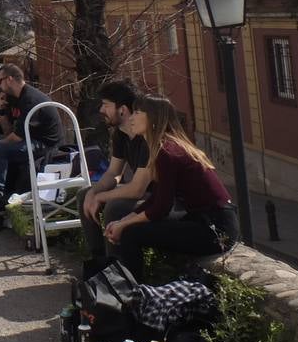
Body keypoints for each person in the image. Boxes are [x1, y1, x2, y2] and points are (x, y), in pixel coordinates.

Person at [105, 95, 240, 278]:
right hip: (204, 220)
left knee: (131, 234)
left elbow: (162, 207)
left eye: (137, 112)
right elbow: (156, 198)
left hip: (216, 229)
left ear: (153, 118)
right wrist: (123, 220)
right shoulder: (165, 147)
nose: (131, 118)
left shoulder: (167, 152)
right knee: (129, 226)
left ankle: (132, 291)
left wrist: (124, 225)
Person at [77, 79, 152, 259]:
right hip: (143, 193)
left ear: (122, 109)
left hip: (161, 197)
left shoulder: (147, 137)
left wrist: (101, 197)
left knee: (114, 207)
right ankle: (99, 260)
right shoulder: (121, 134)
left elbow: (137, 189)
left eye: (106, 105)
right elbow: (113, 173)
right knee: (83, 194)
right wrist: (93, 192)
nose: (101, 110)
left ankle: (116, 267)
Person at [0, 64, 61, 204]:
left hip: (45, 144)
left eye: (0, 81)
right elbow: (8, 132)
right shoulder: (13, 97)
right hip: (28, 139)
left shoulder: (30, 99)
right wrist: (2, 109)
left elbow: (16, 137)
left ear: (9, 79)